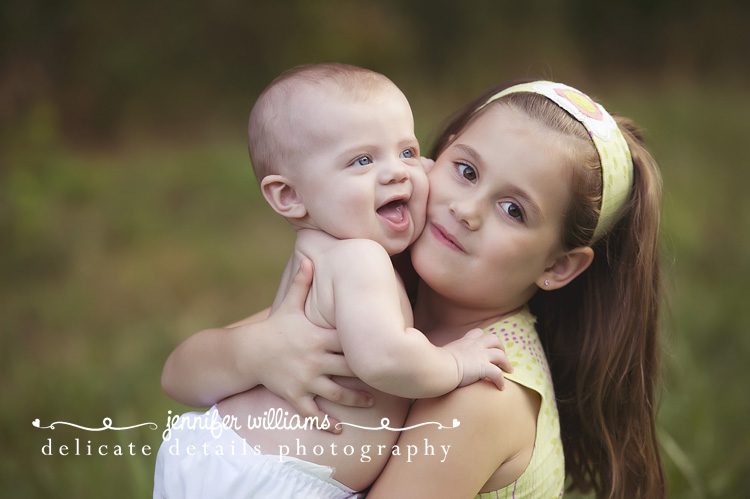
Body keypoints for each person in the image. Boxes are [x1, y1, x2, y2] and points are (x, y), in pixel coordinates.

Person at [161, 78, 666, 498]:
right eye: (465, 171)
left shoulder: (484, 387)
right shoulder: (371, 281)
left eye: (513, 210)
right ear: (429, 162)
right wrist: (260, 351)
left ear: (557, 266)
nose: (466, 211)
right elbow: (180, 377)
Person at [153, 63, 510, 498]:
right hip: (274, 478)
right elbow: (383, 360)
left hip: (229, 454)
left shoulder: (315, 253)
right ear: (290, 196)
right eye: (362, 160)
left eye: (407, 152)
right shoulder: (360, 258)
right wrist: (456, 362)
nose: (397, 173)